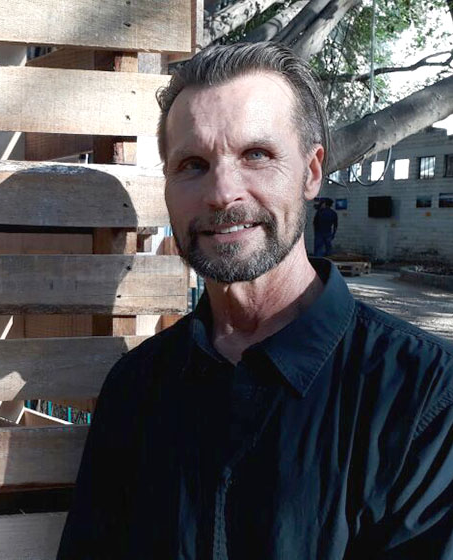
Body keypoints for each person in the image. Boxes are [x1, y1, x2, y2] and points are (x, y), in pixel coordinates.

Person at [58, 42, 453, 559]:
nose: (223, 192)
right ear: (169, 188)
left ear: (312, 172)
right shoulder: (136, 390)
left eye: (256, 155)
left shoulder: (422, 395)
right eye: (193, 164)